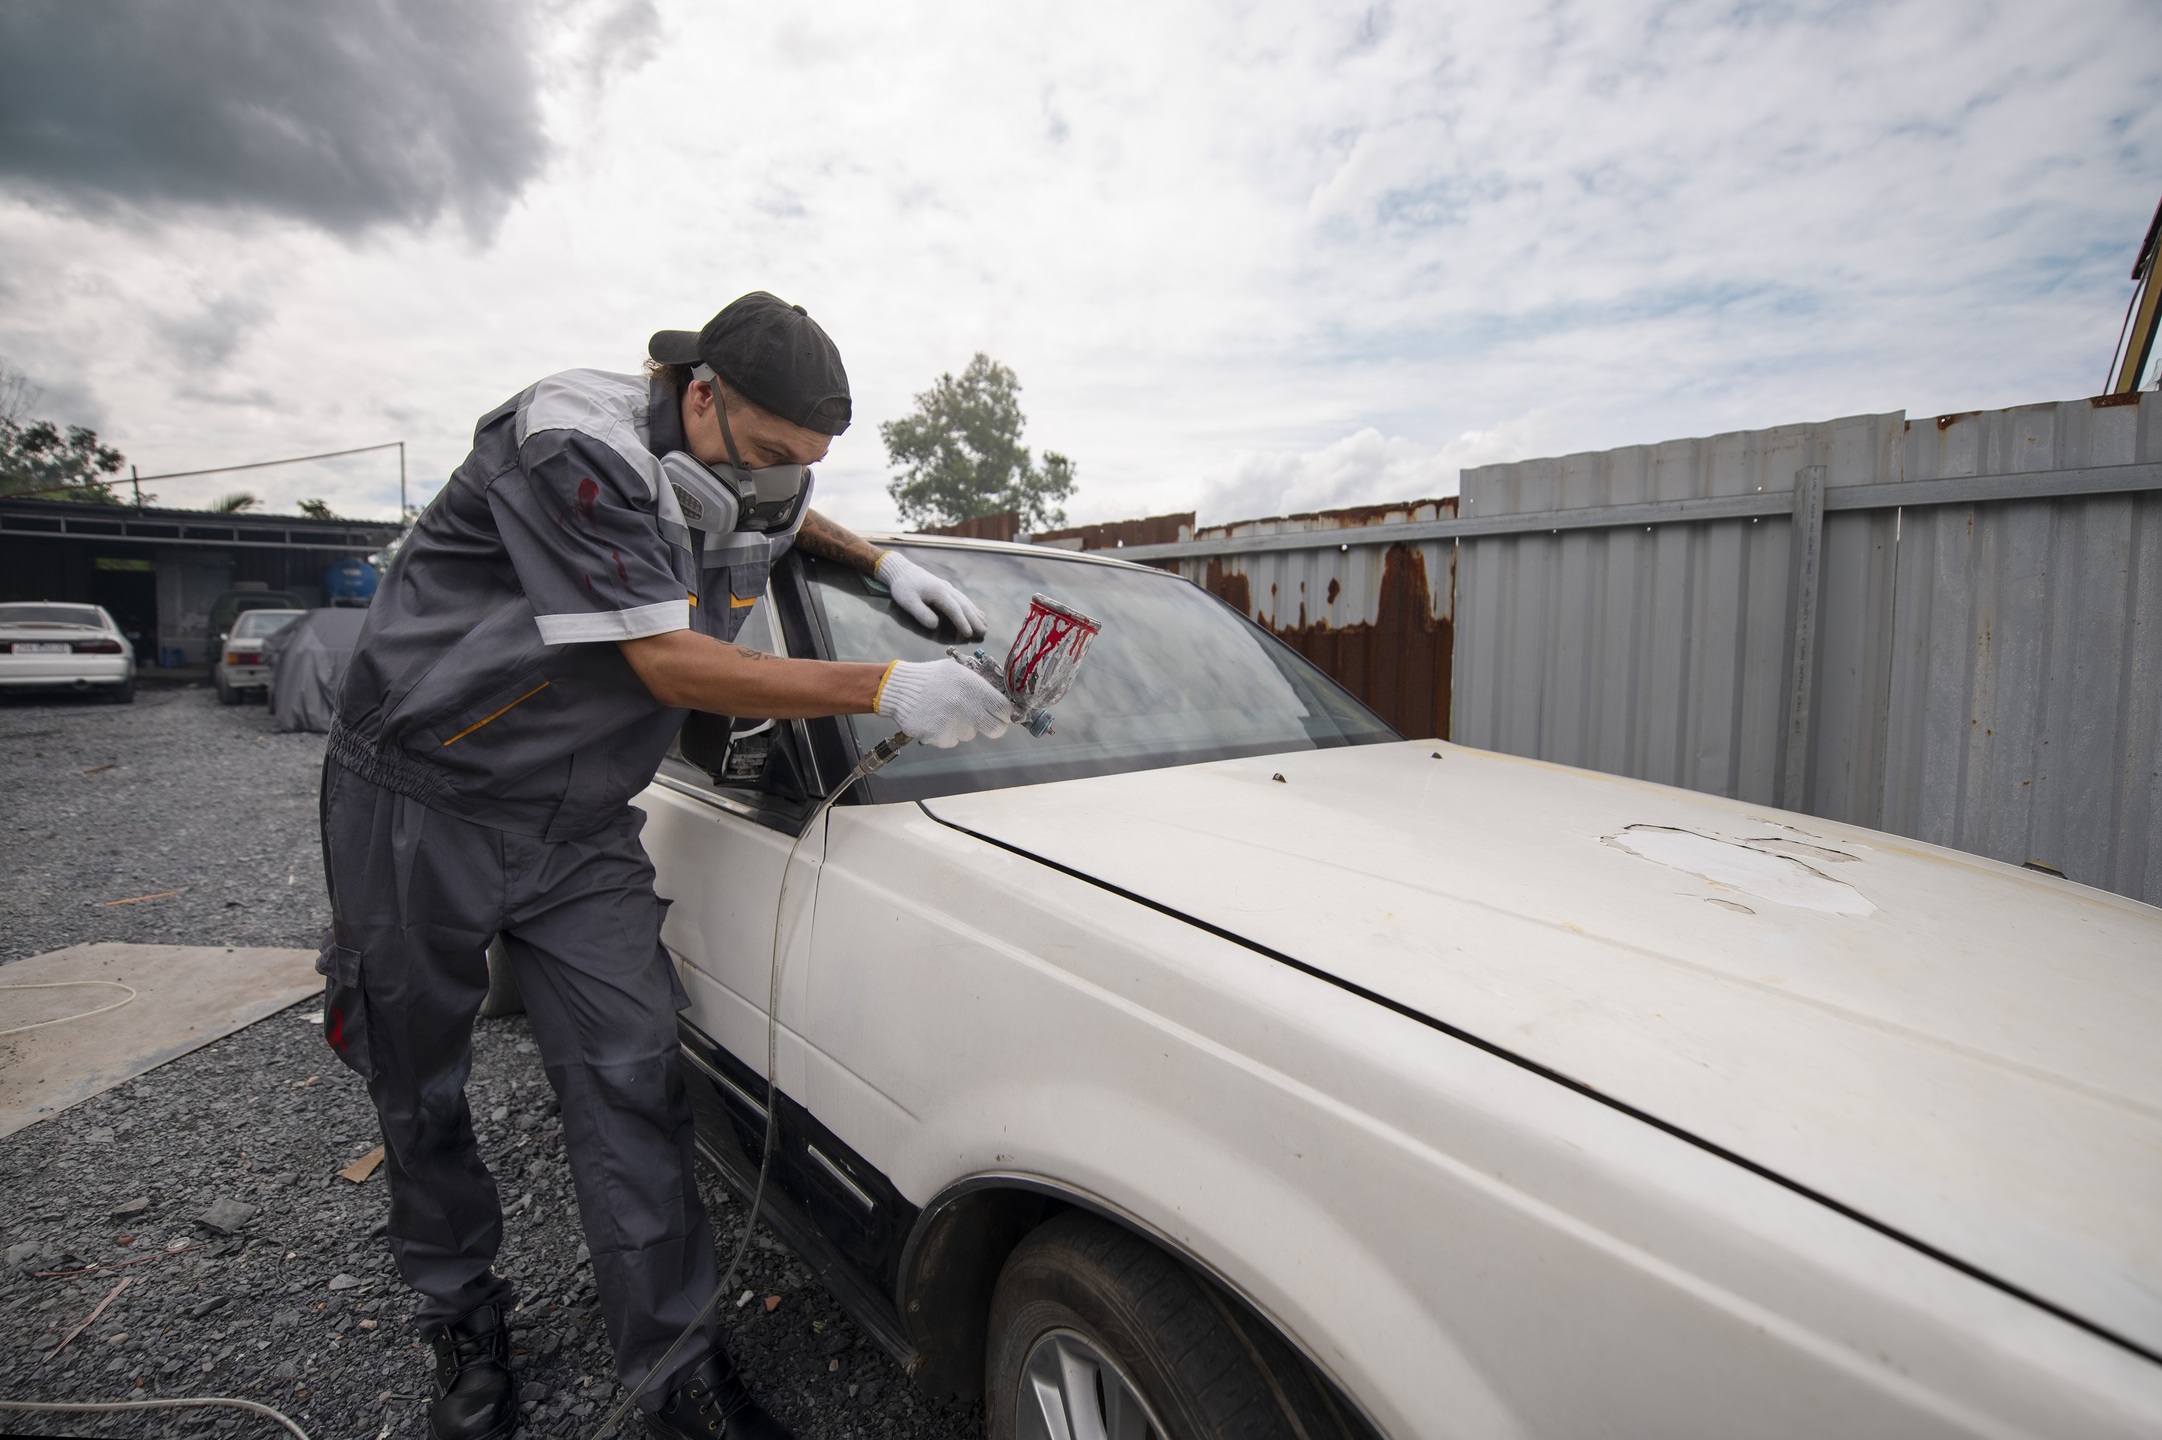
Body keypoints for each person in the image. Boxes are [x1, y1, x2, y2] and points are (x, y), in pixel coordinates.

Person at [317, 292, 1008, 1440]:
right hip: (421, 794)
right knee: (417, 1077)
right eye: (775, 453)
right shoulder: (570, 442)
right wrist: (880, 684)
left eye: (811, 463)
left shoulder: (744, 465)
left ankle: (675, 1372)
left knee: (632, 1081)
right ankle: (461, 1318)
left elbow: (776, 519)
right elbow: (665, 662)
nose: (787, 482)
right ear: (699, 396)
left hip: (577, 822)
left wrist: (880, 565)